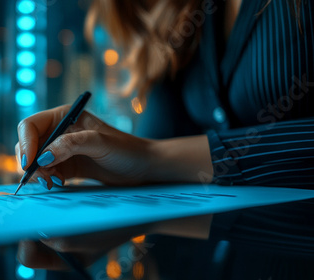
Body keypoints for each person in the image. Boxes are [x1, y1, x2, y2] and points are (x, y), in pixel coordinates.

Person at [16, 0, 314, 278]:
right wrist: (94, 159)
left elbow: (155, 155)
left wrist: (153, 158)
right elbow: (155, 144)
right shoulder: (186, 12)